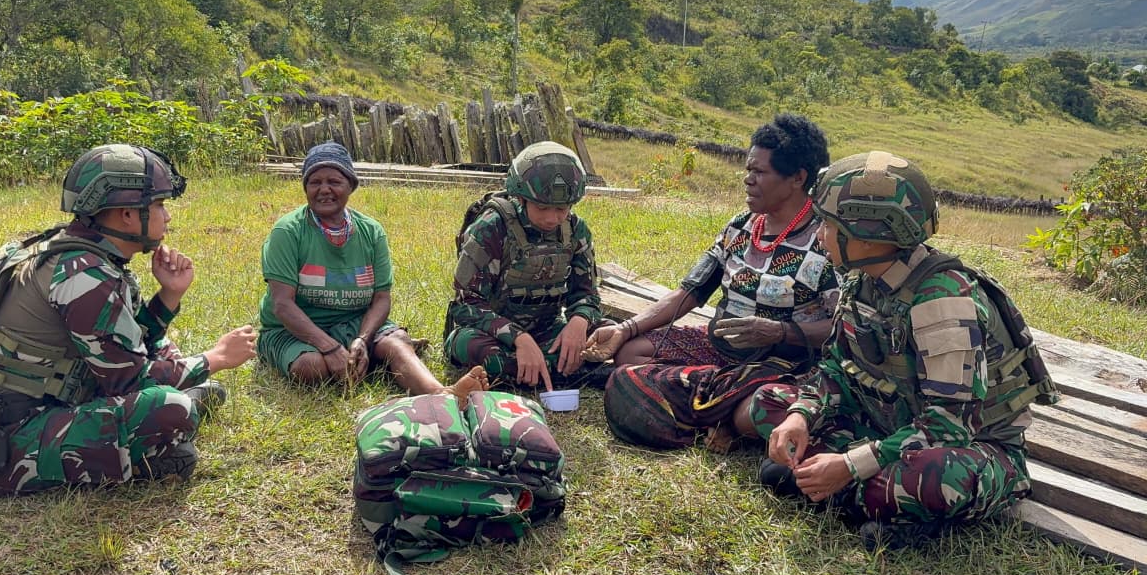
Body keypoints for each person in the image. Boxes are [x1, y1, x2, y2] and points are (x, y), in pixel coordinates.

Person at [745, 151, 1059, 550]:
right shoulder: (863, 280)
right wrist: (800, 417)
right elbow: (838, 369)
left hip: (966, 449)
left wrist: (847, 465)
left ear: (870, 235)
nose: (819, 234)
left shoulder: (943, 302)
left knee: (936, 477)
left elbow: (949, 425)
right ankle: (859, 496)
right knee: (769, 402)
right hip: (890, 428)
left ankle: (843, 490)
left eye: (829, 224)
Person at [0, 144, 257, 495]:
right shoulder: (83, 275)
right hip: (2, 448)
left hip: (6, 418)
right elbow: (127, 381)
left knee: (165, 355)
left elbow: (126, 345)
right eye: (158, 204)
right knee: (172, 407)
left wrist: (169, 295)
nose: (167, 216)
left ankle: (151, 430)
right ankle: (150, 453)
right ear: (127, 214)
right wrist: (215, 359)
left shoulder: (71, 253)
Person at [590, 113, 837, 449]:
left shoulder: (824, 240)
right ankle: (714, 401)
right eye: (748, 169)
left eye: (759, 172)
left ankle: (714, 410)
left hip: (782, 364)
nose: (748, 180)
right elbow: (690, 292)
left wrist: (780, 332)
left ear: (797, 178)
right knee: (632, 353)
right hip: (719, 351)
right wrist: (625, 329)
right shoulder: (741, 227)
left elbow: (841, 326)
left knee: (755, 411)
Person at [258, 142, 488, 399]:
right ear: (305, 187)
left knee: (396, 345)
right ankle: (372, 361)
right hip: (294, 330)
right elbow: (282, 305)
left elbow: (381, 298)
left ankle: (444, 396)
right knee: (310, 368)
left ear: (351, 186)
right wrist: (330, 348)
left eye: (334, 181)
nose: (324, 190)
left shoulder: (370, 231)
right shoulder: (288, 232)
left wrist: (362, 339)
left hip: (355, 322)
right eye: (314, 182)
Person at [444, 141, 604, 391]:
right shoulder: (492, 227)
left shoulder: (575, 230)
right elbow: (465, 305)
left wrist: (579, 321)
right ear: (521, 197)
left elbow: (587, 295)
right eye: (541, 208)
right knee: (492, 359)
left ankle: (547, 366)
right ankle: (563, 369)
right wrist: (517, 337)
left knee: (607, 338)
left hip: (548, 329)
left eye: (562, 209)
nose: (552, 218)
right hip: (493, 336)